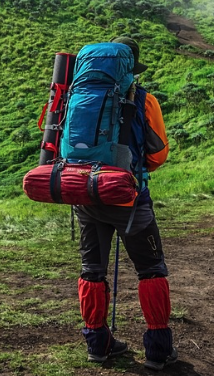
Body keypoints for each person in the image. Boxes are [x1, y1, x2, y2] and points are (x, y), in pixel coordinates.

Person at [74, 36, 177, 370]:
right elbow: (158, 155)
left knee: (92, 271)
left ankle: (98, 345)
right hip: (128, 198)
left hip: (85, 193)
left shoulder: (76, 95)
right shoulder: (144, 100)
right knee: (151, 269)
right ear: (131, 67)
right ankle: (158, 352)